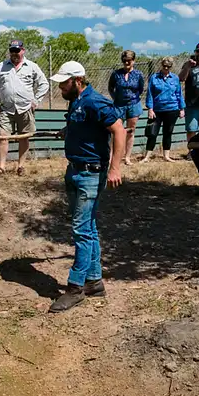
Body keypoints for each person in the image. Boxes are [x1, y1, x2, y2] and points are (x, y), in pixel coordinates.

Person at [46, 61, 125, 313]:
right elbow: (83, 125)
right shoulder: (76, 102)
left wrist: (115, 168)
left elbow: (119, 131)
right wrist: (67, 130)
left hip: (91, 174)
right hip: (75, 170)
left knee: (81, 230)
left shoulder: (95, 101)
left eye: (63, 82)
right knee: (88, 227)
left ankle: (75, 288)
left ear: (78, 80)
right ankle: (94, 282)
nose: (60, 87)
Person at [0, 40, 49, 176]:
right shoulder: (1, 67)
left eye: (17, 50)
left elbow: (44, 84)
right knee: (3, 137)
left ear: (23, 50)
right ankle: (1, 167)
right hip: (6, 109)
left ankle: (21, 166)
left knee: (24, 137)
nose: (15, 53)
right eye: (12, 51)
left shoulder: (32, 66)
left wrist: (36, 100)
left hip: (25, 108)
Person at [141, 56, 185, 162]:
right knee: (152, 133)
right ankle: (147, 156)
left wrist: (182, 108)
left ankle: (166, 155)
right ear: (161, 65)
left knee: (168, 132)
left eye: (168, 67)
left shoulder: (175, 78)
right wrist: (150, 109)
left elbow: (179, 94)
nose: (166, 68)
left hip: (172, 109)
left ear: (171, 67)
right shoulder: (154, 77)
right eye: (164, 66)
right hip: (157, 110)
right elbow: (150, 94)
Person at [107, 49, 145, 165]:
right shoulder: (116, 74)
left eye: (129, 61)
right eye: (124, 61)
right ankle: (112, 157)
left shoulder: (138, 74)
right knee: (116, 130)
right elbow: (110, 87)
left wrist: (133, 98)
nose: (127, 63)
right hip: (119, 105)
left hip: (134, 104)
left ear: (133, 60)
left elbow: (141, 89)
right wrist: (115, 98)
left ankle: (127, 157)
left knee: (130, 131)